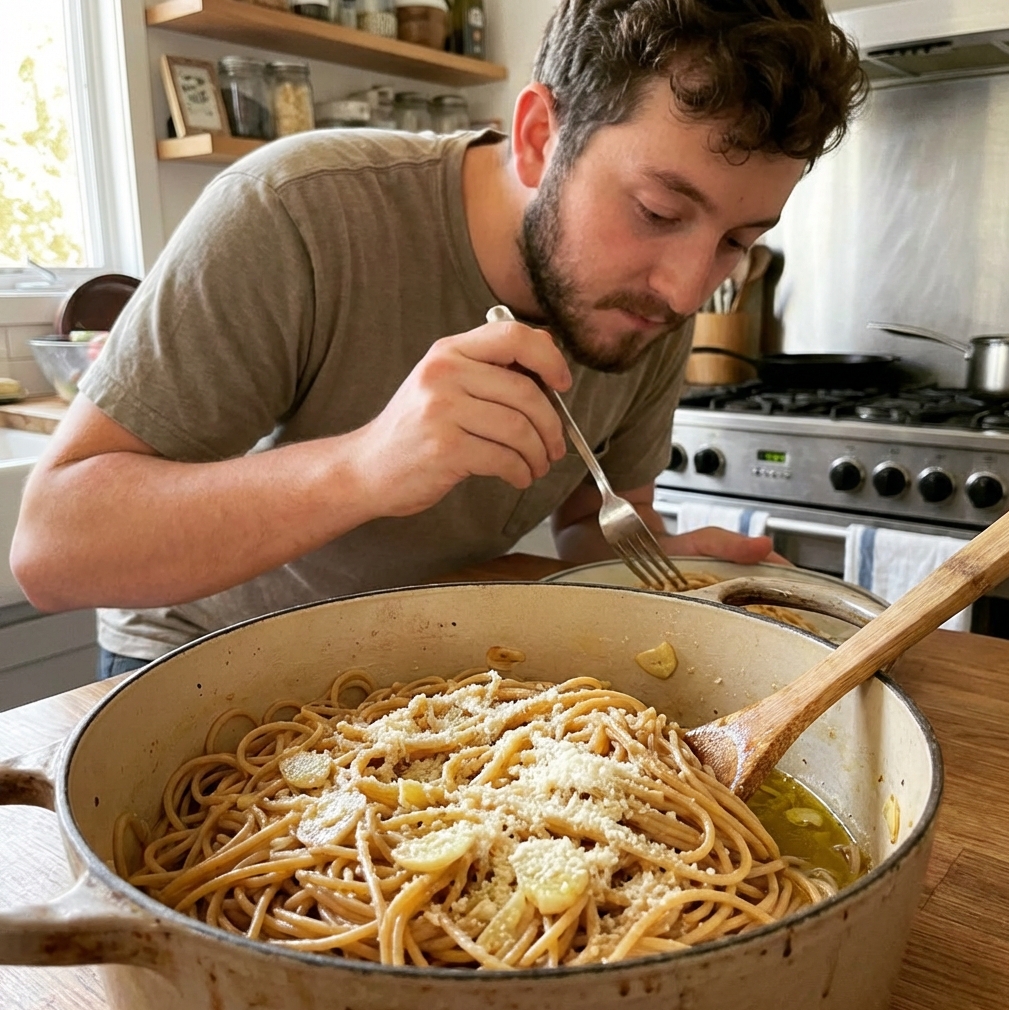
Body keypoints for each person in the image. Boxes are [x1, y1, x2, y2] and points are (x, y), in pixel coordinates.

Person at [10, 0, 866, 677]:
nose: (686, 288)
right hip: (195, 659)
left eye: (737, 240)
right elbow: (54, 550)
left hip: (420, 661)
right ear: (538, 138)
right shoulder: (297, 211)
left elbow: (593, 518)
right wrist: (365, 466)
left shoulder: (651, 297)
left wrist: (665, 566)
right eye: (657, 212)